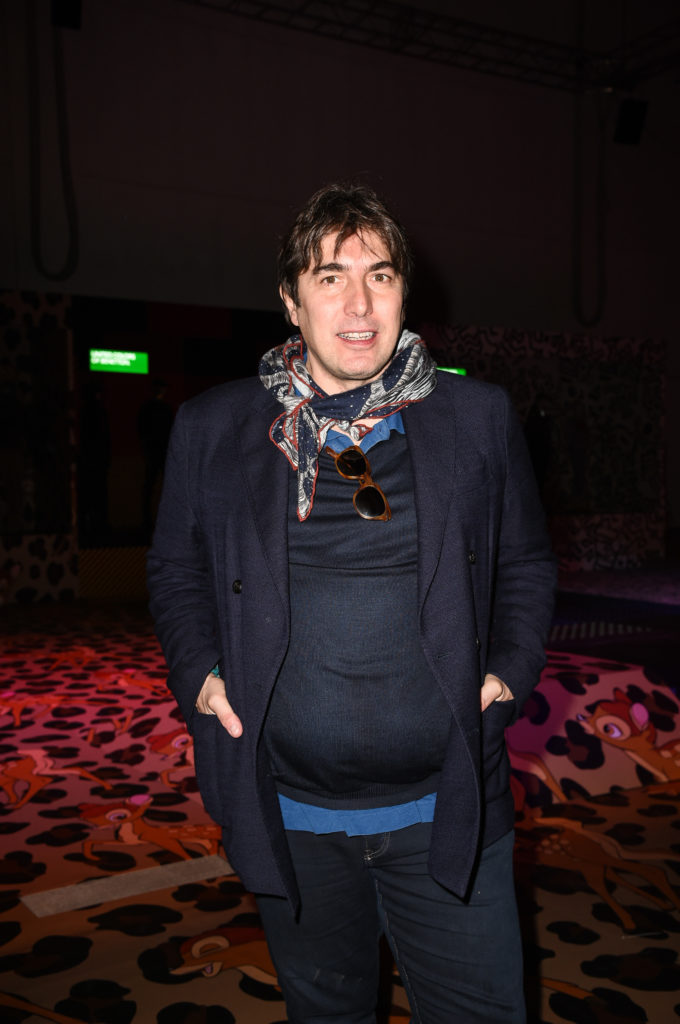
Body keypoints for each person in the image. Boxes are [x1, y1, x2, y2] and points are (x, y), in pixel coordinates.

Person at [147, 182, 556, 1023]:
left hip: (450, 805)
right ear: (291, 302)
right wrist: (200, 674)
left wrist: (511, 672)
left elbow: (525, 561)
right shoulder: (213, 427)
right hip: (289, 814)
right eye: (330, 277)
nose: (360, 304)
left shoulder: (478, 418)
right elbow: (175, 568)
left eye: (381, 275)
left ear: (406, 293)